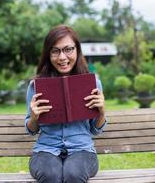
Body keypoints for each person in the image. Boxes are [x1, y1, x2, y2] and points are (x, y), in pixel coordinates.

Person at [25, 25, 106, 183]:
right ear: (48, 54)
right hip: (45, 150)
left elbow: (95, 130)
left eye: (68, 49)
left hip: (82, 150)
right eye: (55, 51)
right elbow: (31, 130)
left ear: (77, 50)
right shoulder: (36, 86)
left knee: (73, 173)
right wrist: (34, 118)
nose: (62, 57)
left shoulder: (93, 83)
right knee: (50, 174)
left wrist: (101, 112)